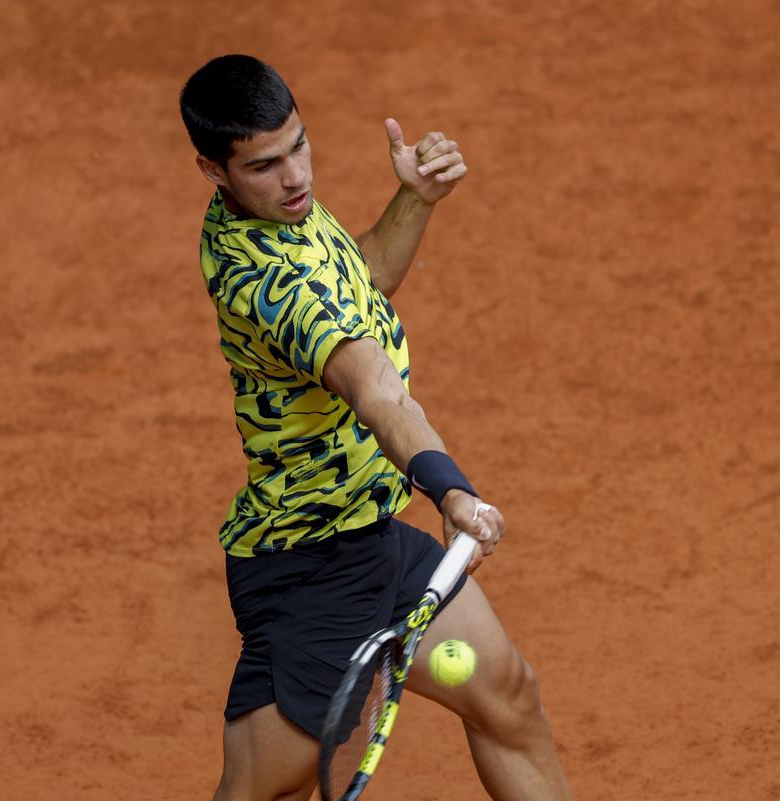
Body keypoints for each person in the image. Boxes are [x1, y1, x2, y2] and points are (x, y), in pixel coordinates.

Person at [180, 54, 573, 801]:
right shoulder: (268, 282)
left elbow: (357, 277)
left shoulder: (280, 216)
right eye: (264, 165)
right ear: (213, 170)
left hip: (373, 536)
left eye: (299, 146)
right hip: (310, 569)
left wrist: (414, 199)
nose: (296, 177)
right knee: (269, 788)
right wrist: (451, 491)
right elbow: (377, 392)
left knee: (508, 697)